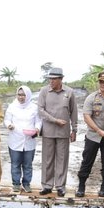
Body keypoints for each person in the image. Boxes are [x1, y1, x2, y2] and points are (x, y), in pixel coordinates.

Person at [76, 71, 104, 198]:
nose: (102, 84)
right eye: (101, 82)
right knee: (87, 161)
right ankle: (81, 186)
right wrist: (98, 130)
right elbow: (86, 117)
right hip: (93, 135)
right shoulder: (91, 98)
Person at [37, 67, 78, 197]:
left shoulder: (69, 92)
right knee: (47, 159)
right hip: (48, 131)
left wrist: (74, 129)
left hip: (63, 132)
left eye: (54, 79)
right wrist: (55, 120)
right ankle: (47, 185)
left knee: (62, 159)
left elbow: (74, 112)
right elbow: (41, 110)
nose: (51, 81)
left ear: (61, 79)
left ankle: (60, 186)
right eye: (50, 79)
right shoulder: (44, 91)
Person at [4, 85, 41, 193]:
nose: (21, 97)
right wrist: (9, 125)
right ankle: (16, 184)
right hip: (15, 139)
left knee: (28, 164)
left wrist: (37, 128)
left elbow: (38, 121)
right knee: (15, 163)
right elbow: (7, 120)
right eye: (19, 95)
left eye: (23, 95)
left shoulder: (34, 107)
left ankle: (26, 183)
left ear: (28, 95)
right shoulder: (12, 106)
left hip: (29, 140)